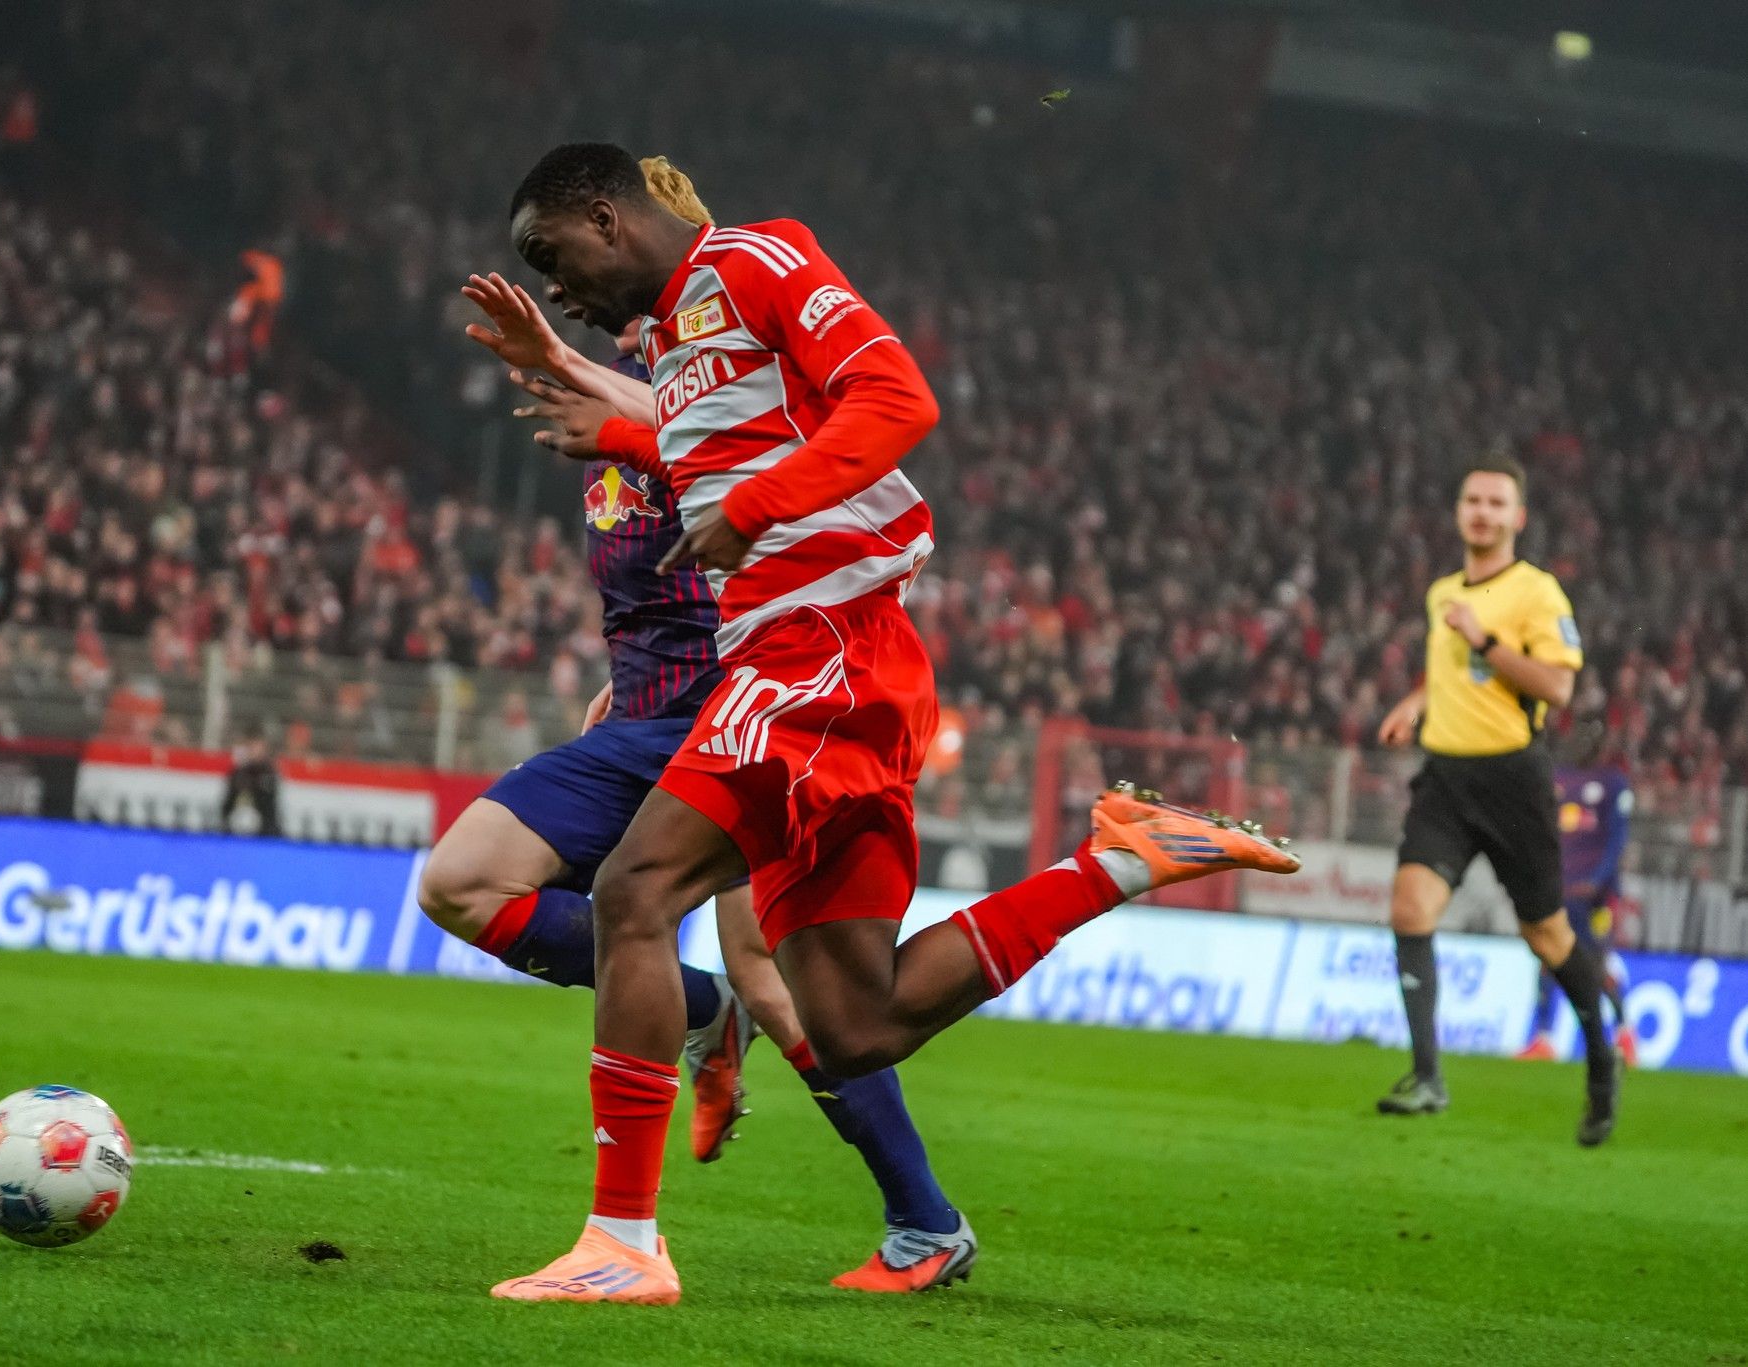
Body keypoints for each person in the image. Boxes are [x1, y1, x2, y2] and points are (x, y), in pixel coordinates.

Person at [478, 142, 1298, 1305]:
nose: (554, 284)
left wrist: (758, 506)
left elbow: (898, 397)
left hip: (820, 651)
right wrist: (612, 429)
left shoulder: (756, 260)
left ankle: (623, 1240)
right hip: (833, 670)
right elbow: (732, 450)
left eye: (551, 255)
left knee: (634, 890)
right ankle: (1119, 859)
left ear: (606, 218)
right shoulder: (677, 341)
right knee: (858, 1024)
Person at [425, 157, 977, 1292]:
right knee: (466, 881)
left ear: (616, 225)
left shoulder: (718, 358)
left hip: (748, 692)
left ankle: (912, 1213)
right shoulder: (666, 383)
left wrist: (574, 367)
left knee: (776, 977)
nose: (577, 302)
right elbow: (655, 520)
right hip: (651, 707)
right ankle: (701, 1023)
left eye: (562, 264)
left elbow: (805, 433)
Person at [1373, 454, 1622, 1144]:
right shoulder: (1442, 593)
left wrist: (1486, 639)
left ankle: (1601, 1056)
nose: (1482, 512)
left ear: (1518, 517)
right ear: (1459, 511)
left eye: (1495, 503)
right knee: (1410, 907)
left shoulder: (1536, 593)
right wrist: (1414, 704)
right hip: (1445, 779)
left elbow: (1559, 688)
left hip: (1512, 781)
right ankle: (1427, 1077)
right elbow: (1449, 672)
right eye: (1473, 501)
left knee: (1548, 935)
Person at [1516, 746, 1637, 1065]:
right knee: (1547, 957)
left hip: (1596, 898)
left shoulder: (1612, 782)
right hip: (1562, 891)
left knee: (1595, 964)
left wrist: (1597, 881)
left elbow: (1617, 839)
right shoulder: (1558, 780)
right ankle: (1543, 1039)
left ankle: (1624, 1033)